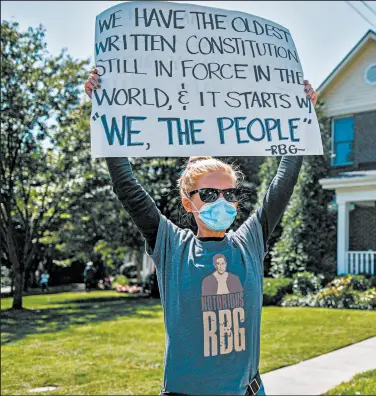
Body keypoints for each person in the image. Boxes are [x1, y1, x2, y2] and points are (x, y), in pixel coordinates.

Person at [84, 69, 317, 396]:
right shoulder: (170, 244)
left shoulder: (249, 242)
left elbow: (282, 186)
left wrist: (302, 115)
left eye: (229, 194)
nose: (221, 202)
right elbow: (127, 187)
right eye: (208, 194)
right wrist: (104, 109)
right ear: (188, 203)